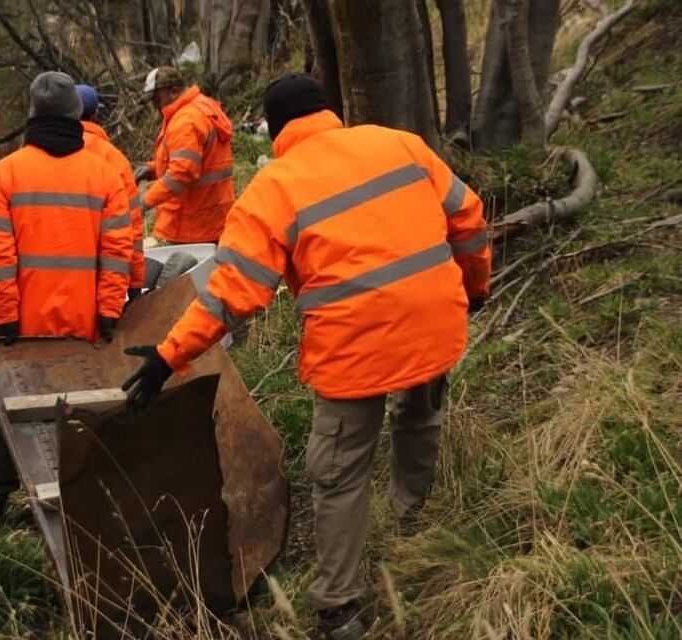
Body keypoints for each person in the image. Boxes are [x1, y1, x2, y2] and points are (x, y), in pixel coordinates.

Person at [121, 73, 491, 639]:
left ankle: (339, 606)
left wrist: (169, 355)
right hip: (435, 323)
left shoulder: (275, 188)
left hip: (354, 351)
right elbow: (469, 219)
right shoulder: (401, 144)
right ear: (329, 112)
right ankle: (411, 514)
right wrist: (474, 288)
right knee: (420, 413)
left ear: (274, 128)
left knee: (340, 473)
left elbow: (232, 294)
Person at [0, 71, 132, 529]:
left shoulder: (4, 175)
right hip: (82, 322)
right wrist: (107, 314)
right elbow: (117, 255)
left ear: (32, 114)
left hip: (19, 325)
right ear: (78, 115)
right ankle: (89, 504)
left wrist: (4, 323)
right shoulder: (104, 174)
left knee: (4, 409)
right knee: (79, 410)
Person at [134, 66, 234, 245]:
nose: (155, 106)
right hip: (212, 213)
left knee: (192, 273)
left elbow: (182, 173)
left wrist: (144, 202)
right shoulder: (202, 105)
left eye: (157, 99)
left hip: (195, 223)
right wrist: (153, 169)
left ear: (173, 91)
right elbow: (195, 161)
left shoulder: (184, 121)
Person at [76, 84, 145, 302]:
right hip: (101, 284)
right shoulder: (113, 158)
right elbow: (130, 226)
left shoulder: (39, 154)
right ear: (96, 114)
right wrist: (135, 284)